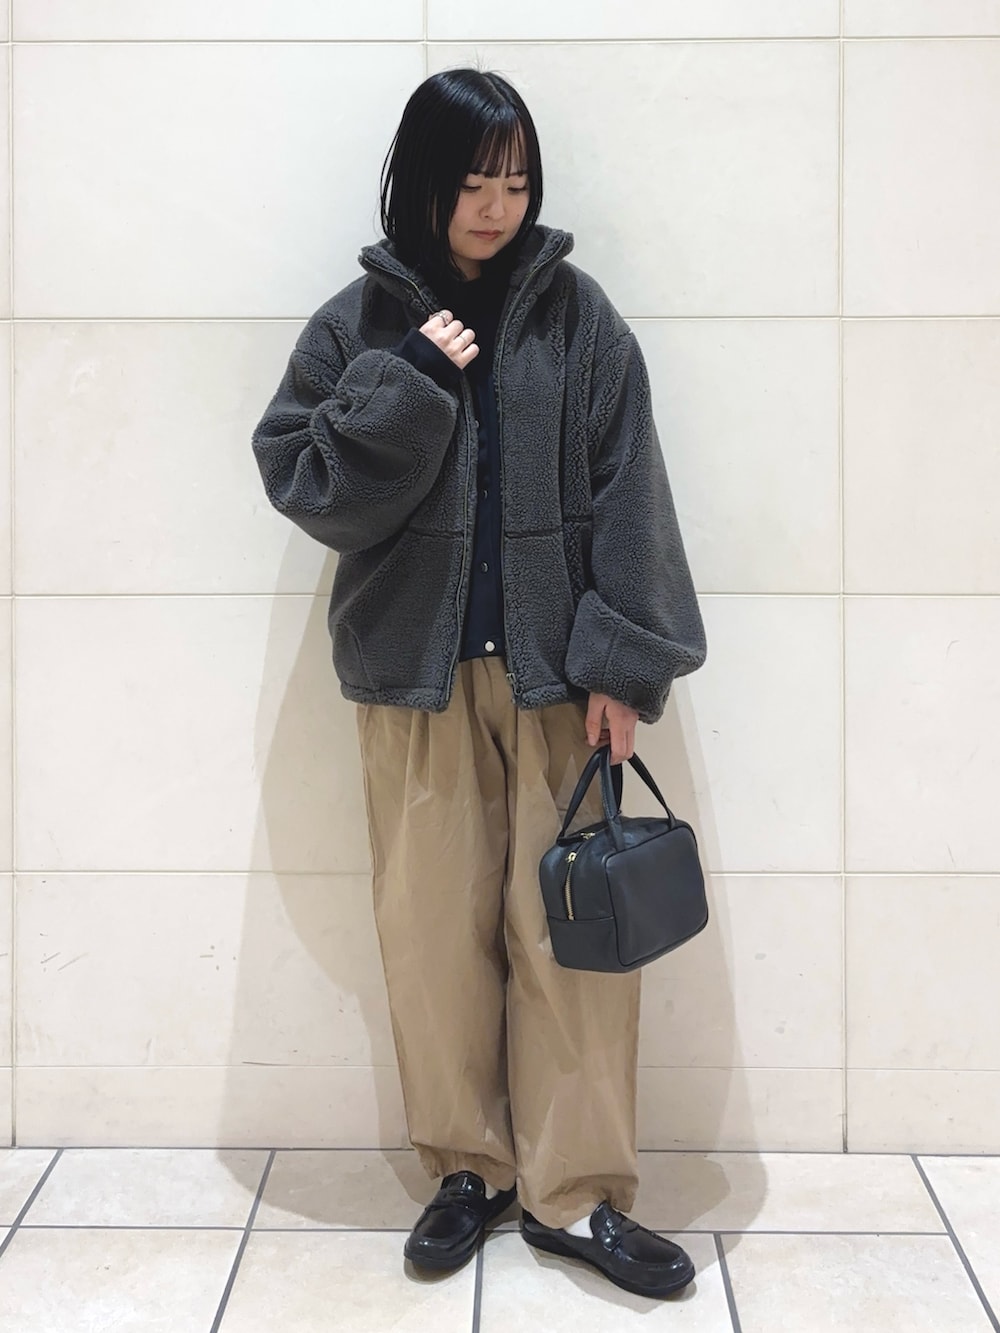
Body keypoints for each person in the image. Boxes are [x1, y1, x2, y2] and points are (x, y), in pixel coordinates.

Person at [252, 68, 707, 1301]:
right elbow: (309, 484)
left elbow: (630, 492)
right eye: (472, 180)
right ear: (422, 180)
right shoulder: (355, 327)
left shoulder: (578, 320)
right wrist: (409, 378)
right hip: (416, 688)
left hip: (562, 686)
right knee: (431, 942)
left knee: (575, 947)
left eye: (515, 180)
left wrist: (625, 666)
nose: (498, 205)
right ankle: (468, 1170)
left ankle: (576, 1193)